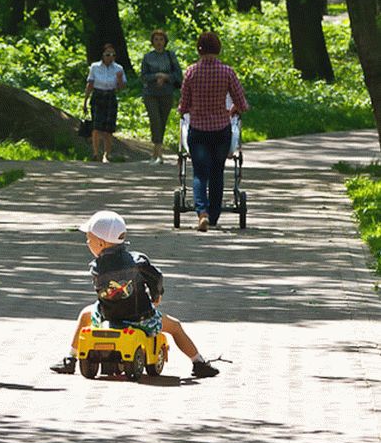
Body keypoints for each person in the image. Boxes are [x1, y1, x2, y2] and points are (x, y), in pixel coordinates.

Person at [50, 210, 219, 378]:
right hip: (142, 319)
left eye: (89, 239)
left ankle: (70, 358)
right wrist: (156, 295)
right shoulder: (137, 261)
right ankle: (198, 362)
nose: (87, 242)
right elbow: (156, 278)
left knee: (85, 314)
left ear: (101, 244)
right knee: (175, 327)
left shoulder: (95, 268)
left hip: (107, 317)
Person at [178, 31, 249, 232]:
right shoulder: (227, 72)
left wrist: (189, 109)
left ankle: (202, 213)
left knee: (200, 173)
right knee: (217, 172)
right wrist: (234, 109)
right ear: (218, 48)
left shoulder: (191, 72)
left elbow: (183, 105)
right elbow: (241, 103)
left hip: (198, 130)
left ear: (199, 49)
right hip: (221, 130)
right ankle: (215, 215)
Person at [140, 29, 182, 164]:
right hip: (150, 94)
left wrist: (166, 77)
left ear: (165, 41)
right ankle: (158, 153)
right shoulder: (147, 57)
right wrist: (156, 76)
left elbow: (178, 75)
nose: (159, 42)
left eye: (161, 39)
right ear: (152, 42)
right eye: (156, 40)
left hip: (166, 93)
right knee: (155, 120)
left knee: (162, 122)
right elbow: (143, 76)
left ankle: (157, 152)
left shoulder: (171, 56)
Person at [83, 43, 126, 163]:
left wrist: (119, 79)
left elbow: (121, 87)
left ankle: (107, 154)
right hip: (98, 96)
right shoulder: (95, 67)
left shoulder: (119, 68)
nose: (110, 57)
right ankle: (96, 153)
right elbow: (90, 84)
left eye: (113, 54)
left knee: (108, 128)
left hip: (110, 96)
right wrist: (85, 101)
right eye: (107, 54)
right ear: (102, 55)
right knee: (96, 127)